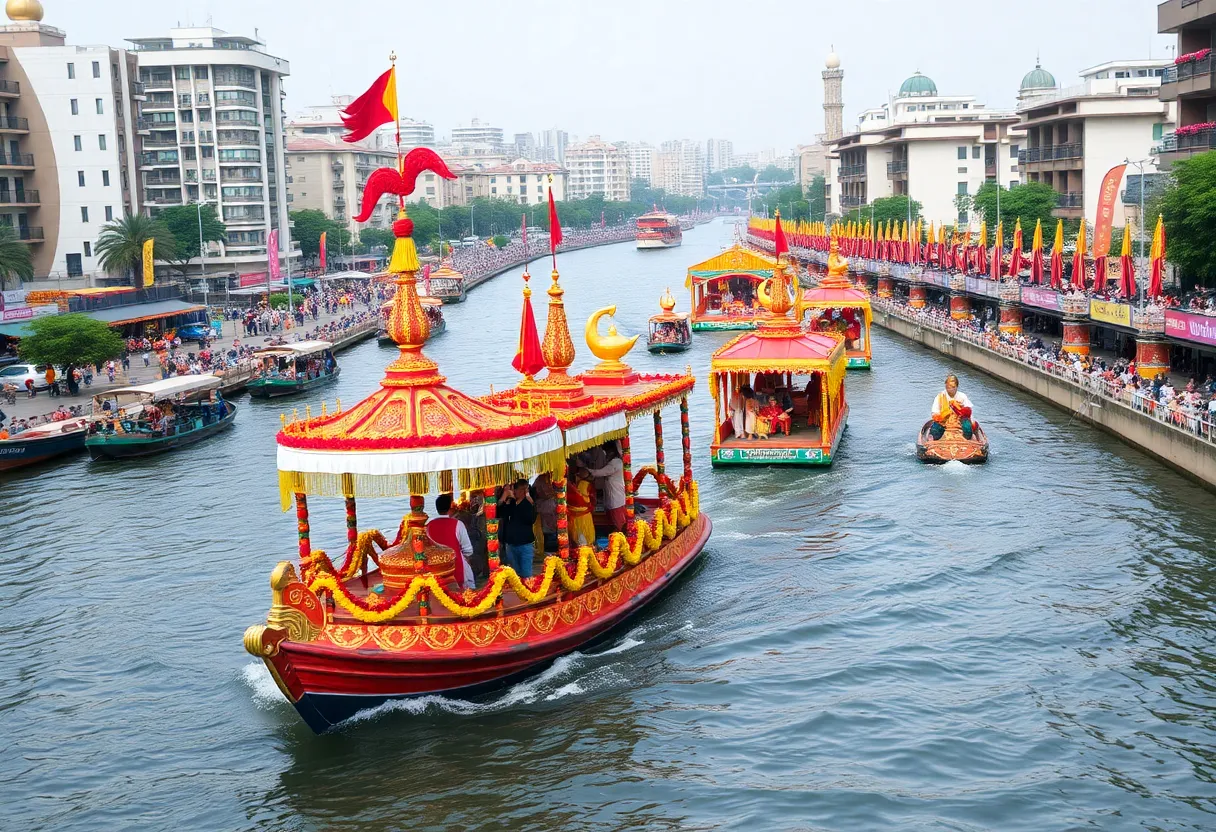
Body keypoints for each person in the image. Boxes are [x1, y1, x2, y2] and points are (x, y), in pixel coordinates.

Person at [428, 494, 476, 591]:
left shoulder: (429, 526)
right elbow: (468, 550)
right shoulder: (458, 524)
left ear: (437, 509)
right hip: (455, 567)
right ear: (450, 507)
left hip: (435, 570)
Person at [498, 479, 536, 578]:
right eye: (514, 489)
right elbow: (499, 512)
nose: (514, 491)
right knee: (515, 575)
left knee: (526, 574)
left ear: (524, 490)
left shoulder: (528, 504)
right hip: (511, 544)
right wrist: (504, 496)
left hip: (525, 544)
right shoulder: (511, 503)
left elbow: (531, 519)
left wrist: (529, 499)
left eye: (517, 489)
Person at [587, 441, 627, 532]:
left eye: (607, 452)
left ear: (611, 451)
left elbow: (599, 473)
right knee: (613, 525)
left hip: (616, 500)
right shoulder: (616, 461)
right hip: (613, 498)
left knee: (619, 526)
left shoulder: (615, 463)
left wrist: (586, 470)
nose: (606, 455)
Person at [928, 373, 976, 440]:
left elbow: (969, 413)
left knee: (967, 428)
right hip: (943, 421)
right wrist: (944, 416)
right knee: (935, 430)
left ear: (957, 386)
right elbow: (934, 413)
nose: (951, 389)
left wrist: (961, 413)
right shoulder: (940, 397)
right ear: (945, 386)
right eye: (948, 387)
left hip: (959, 422)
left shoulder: (962, 396)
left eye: (953, 387)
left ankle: (967, 438)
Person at [567, 466, 597, 548]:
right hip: (584, 514)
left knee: (580, 537)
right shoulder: (587, 484)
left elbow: (579, 500)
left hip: (581, 516)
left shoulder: (583, 484)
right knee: (584, 538)